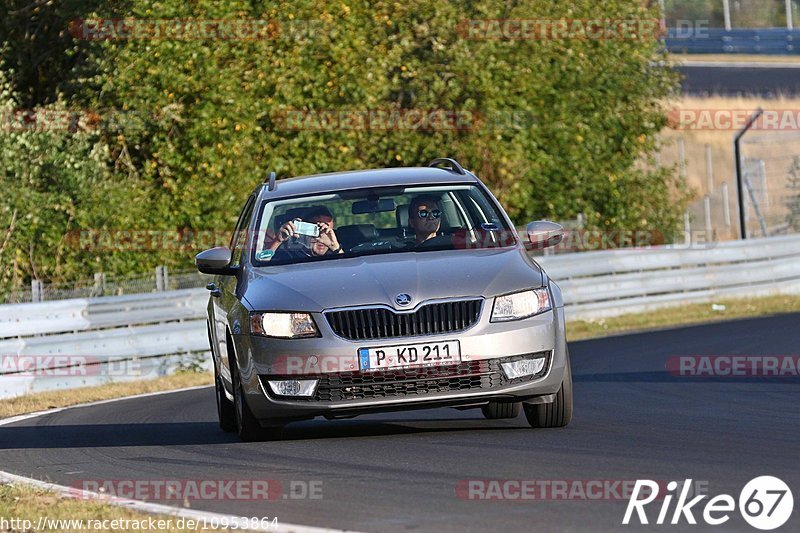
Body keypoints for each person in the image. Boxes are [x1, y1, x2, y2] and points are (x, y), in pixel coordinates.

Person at [260, 206, 344, 261]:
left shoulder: (337, 254)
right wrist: (278, 241)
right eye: (315, 230)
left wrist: (335, 247)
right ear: (302, 230)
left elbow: (349, 272)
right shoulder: (289, 253)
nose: (320, 236)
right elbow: (261, 264)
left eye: (326, 231)